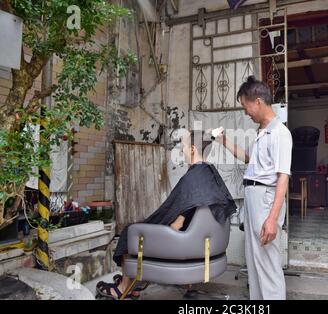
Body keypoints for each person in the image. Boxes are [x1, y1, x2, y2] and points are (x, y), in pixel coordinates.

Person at [96, 130, 237, 300]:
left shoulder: (192, 179)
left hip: (183, 242)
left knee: (131, 231)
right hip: (201, 243)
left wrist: (154, 228)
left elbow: (176, 225)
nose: (182, 151)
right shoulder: (209, 175)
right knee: (142, 230)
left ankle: (123, 287)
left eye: (183, 147)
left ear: (192, 149)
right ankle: (134, 282)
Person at [216, 76, 292, 300]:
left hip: (265, 199)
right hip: (253, 197)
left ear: (257, 101)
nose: (245, 112)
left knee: (267, 262)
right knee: (254, 260)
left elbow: (283, 177)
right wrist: (224, 141)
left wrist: (272, 218)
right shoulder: (263, 131)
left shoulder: (280, 133)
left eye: (245, 106)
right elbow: (250, 160)